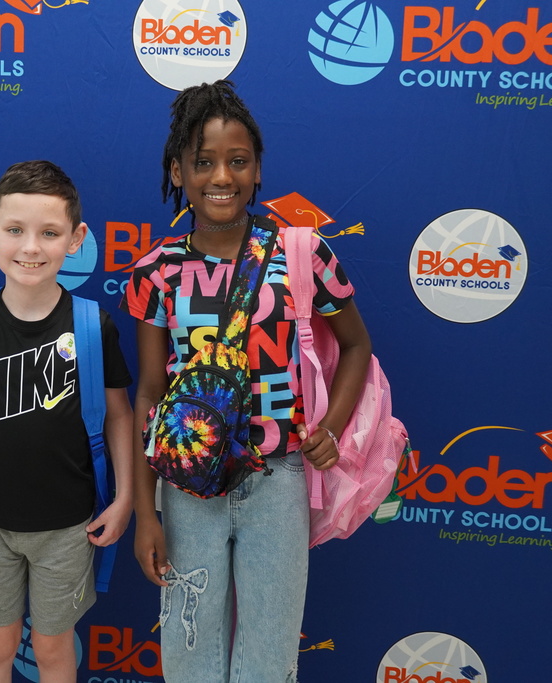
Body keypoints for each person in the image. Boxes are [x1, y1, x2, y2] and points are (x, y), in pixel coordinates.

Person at [121, 80, 372, 682]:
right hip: (186, 487)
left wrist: (331, 427)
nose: (221, 177)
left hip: (278, 479)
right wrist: (146, 513)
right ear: (178, 172)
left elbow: (357, 345)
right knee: (190, 653)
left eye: (238, 161)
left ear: (258, 170)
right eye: (203, 162)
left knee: (269, 655)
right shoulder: (156, 271)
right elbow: (150, 393)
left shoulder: (302, 255)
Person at [0, 160, 135, 683]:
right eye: (15, 230)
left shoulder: (93, 325)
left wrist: (126, 496)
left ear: (76, 239)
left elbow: (119, 415)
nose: (30, 247)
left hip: (69, 524)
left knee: (51, 647)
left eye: (49, 233)